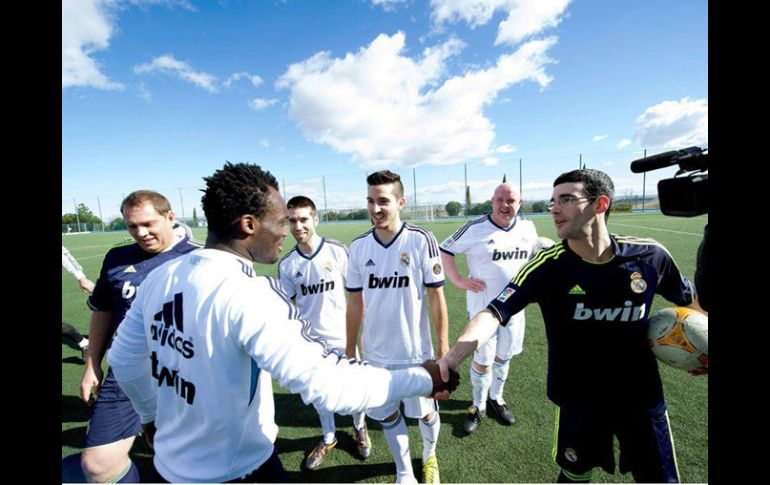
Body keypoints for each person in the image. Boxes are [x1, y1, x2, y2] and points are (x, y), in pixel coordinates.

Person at [106, 162, 459, 483]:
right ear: (249, 225)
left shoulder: (159, 277)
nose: (287, 231)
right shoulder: (251, 293)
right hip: (243, 470)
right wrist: (423, 377)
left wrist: (149, 415)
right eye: (280, 222)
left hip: (167, 470)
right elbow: (332, 387)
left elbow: (122, 359)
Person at [439, 169, 707, 483]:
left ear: (600, 204)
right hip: (578, 402)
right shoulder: (547, 266)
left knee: (660, 479)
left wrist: (704, 343)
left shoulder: (649, 256)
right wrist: (451, 359)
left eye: (566, 199)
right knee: (574, 477)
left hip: (641, 399)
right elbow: (494, 313)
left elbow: (690, 301)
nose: (554, 208)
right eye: (553, 201)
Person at [79, 190, 201, 483]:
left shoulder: (199, 258)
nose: (141, 233)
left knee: (189, 461)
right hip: (127, 372)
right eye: (133, 226)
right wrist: (92, 363)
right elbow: (104, 310)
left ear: (169, 218)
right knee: (97, 467)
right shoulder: (117, 259)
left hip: (184, 375)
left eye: (148, 224)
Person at [346, 170, 449, 484]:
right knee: (388, 415)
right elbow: (354, 303)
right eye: (370, 201)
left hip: (416, 353)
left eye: (383, 201)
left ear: (400, 202)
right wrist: (350, 349)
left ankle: (429, 456)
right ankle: (404, 471)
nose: (375, 208)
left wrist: (443, 350)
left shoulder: (420, 239)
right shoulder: (360, 246)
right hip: (377, 355)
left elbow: (436, 297)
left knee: (427, 413)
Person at [439, 183, 548, 434]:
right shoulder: (474, 228)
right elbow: (445, 249)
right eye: (499, 200)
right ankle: (478, 406)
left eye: (510, 200)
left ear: (520, 202)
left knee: (504, 356)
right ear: (492, 202)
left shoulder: (528, 228)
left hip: (515, 309)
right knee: (483, 360)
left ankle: (496, 398)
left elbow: (534, 257)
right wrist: (458, 280)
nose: (504, 205)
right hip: (482, 311)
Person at [278, 195, 372, 470]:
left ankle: (360, 426)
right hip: (311, 342)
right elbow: (288, 306)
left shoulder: (335, 250)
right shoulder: (288, 264)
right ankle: (329, 436)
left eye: (304, 219)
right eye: (292, 220)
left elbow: (358, 293)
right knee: (319, 392)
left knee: (354, 386)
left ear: (315, 219)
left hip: (345, 336)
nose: (298, 226)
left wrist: (360, 333)